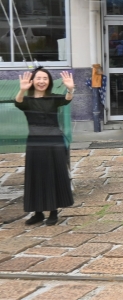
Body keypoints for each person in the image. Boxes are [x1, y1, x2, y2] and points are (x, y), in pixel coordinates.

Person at [15, 68, 76, 226]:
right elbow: (18, 102)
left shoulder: (54, 98)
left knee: (52, 175)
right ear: (32, 81)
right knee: (35, 175)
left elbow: (67, 99)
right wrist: (22, 90)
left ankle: (53, 212)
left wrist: (70, 88)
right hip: (35, 142)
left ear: (49, 81)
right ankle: (38, 213)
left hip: (53, 141)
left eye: (45, 78)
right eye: (38, 78)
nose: (41, 81)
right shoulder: (26, 100)